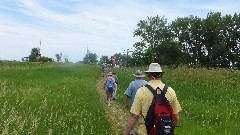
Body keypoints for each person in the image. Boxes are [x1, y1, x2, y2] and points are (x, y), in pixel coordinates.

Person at [124, 63, 182, 135]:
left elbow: (134, 116)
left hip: (145, 132)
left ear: (149, 75)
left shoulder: (141, 91)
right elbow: (176, 117)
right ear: (161, 75)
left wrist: (126, 133)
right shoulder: (170, 91)